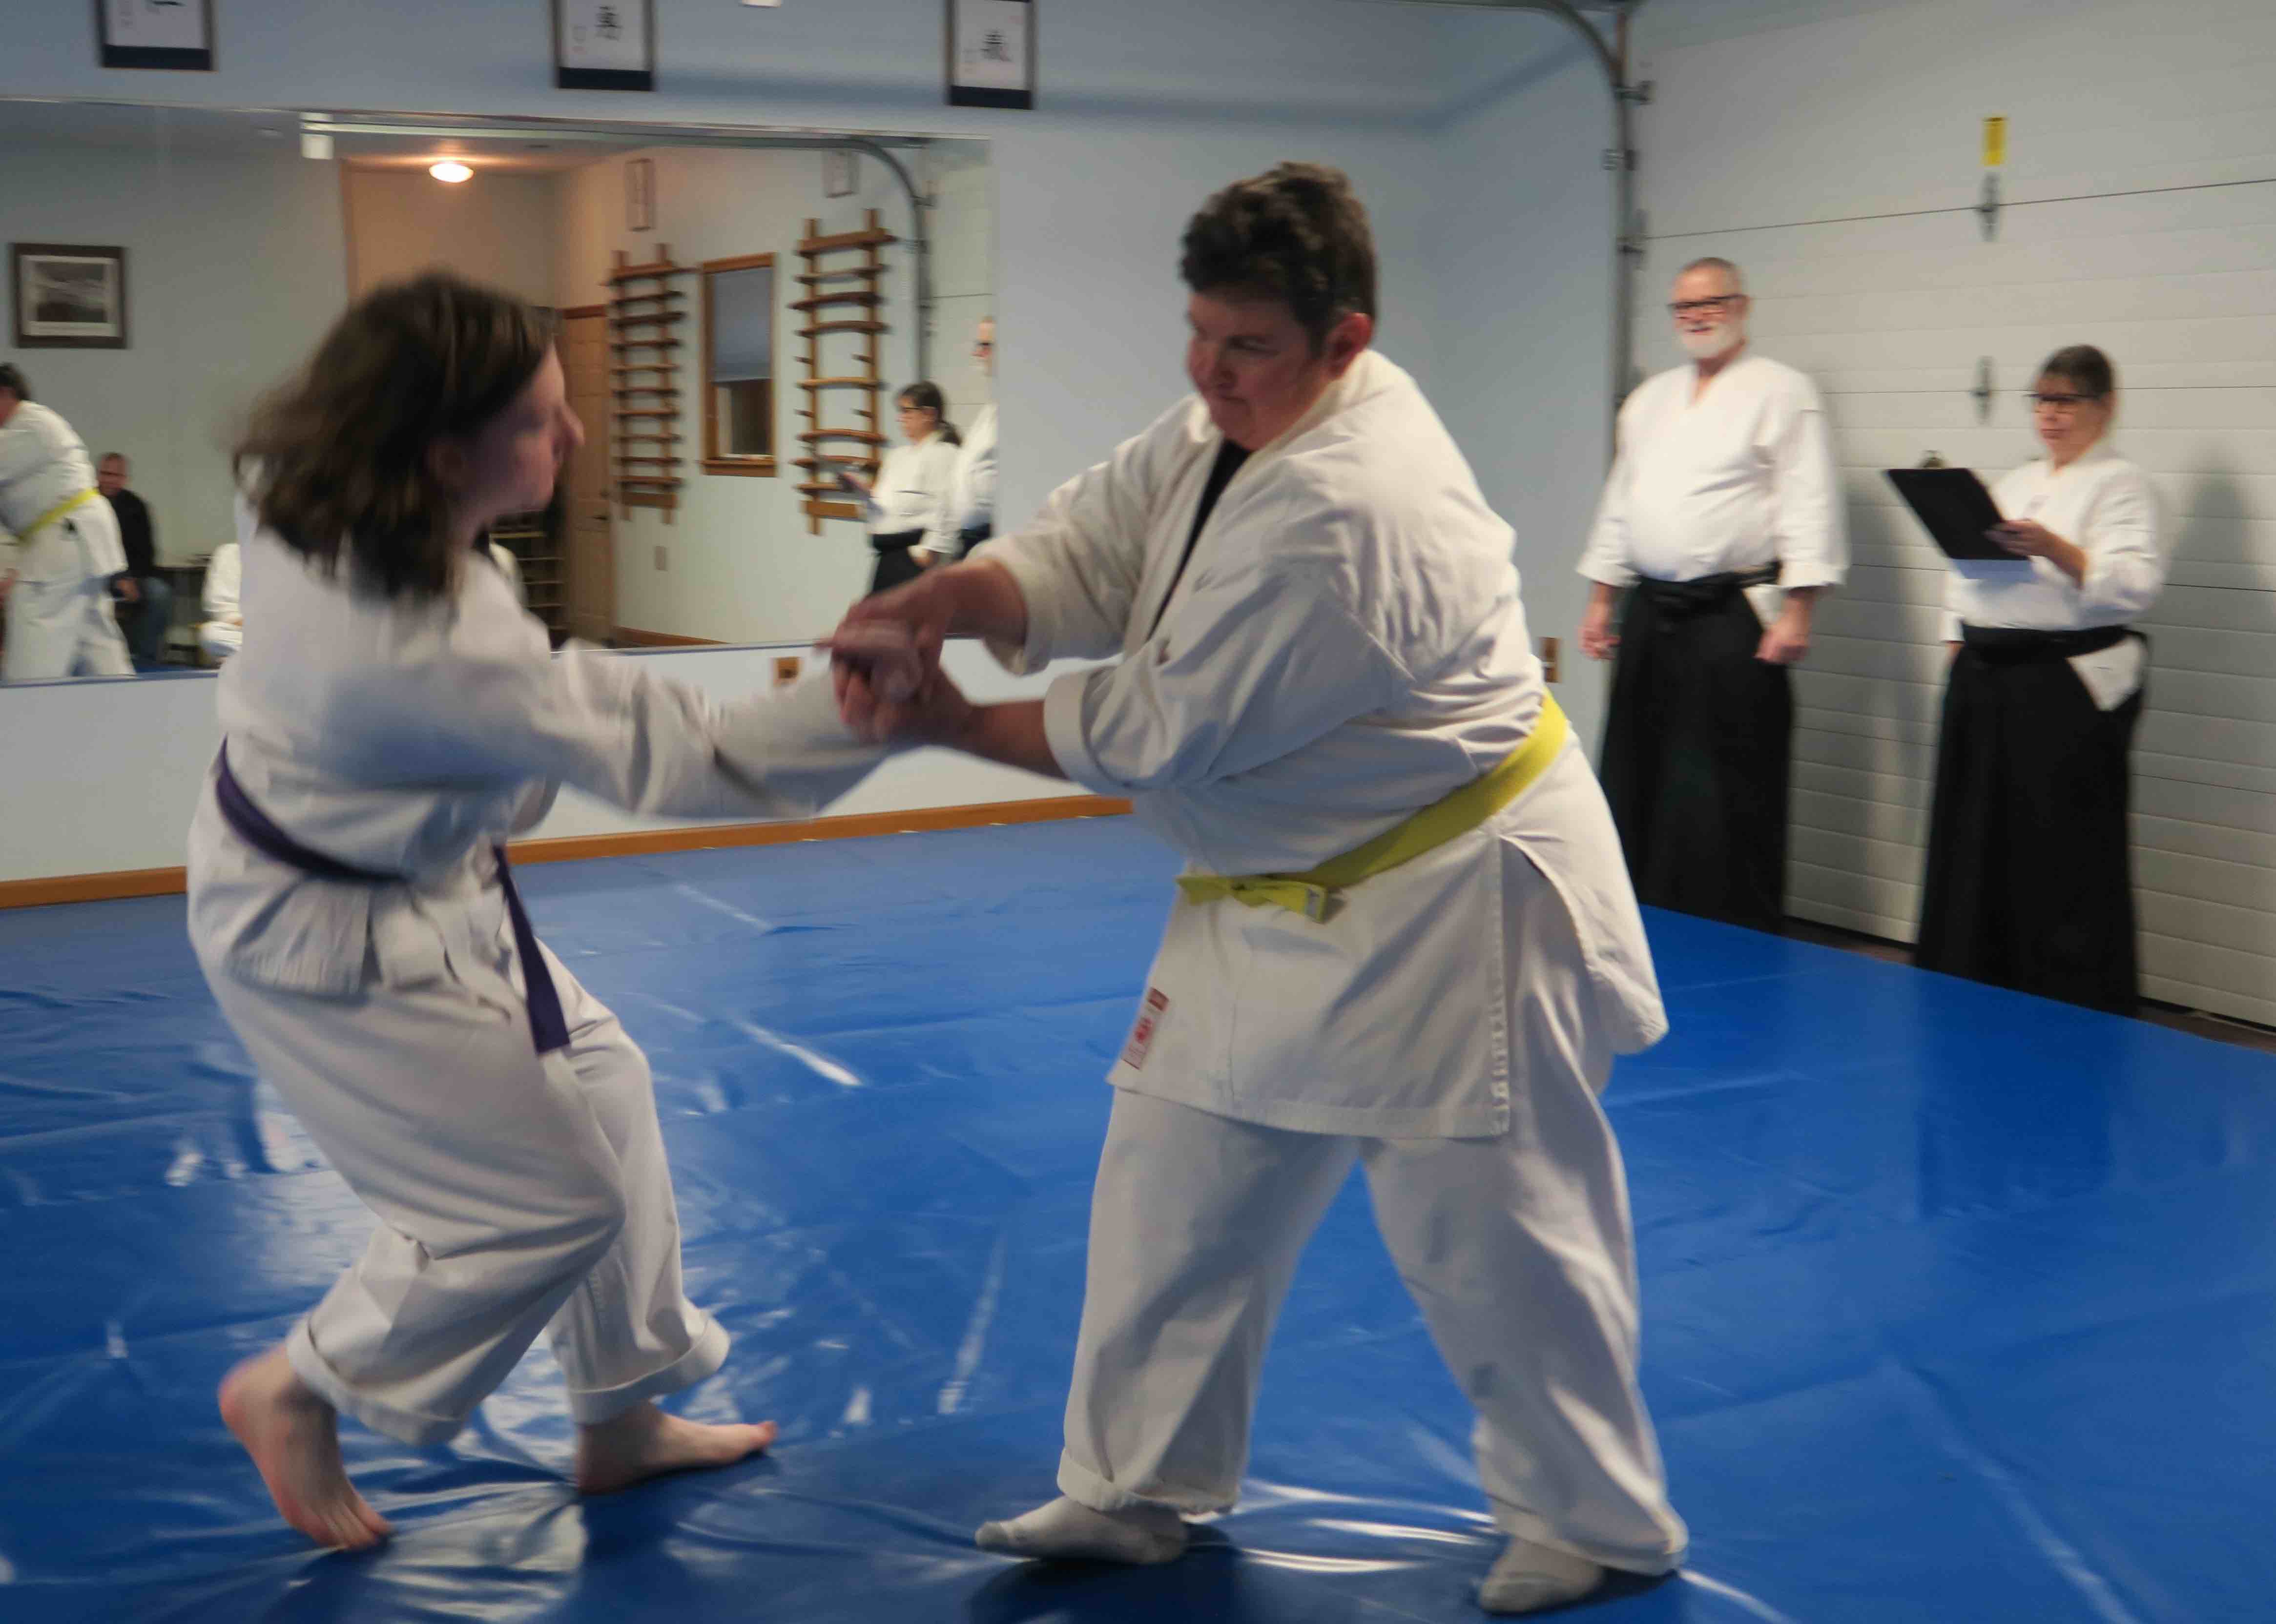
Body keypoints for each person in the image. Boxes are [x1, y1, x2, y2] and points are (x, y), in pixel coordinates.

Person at [830, 163, 1685, 1616]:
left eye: (1249, 347)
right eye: (1201, 333)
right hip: (1268, 880)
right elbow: (1097, 542)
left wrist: (948, 722)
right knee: (1166, 1186)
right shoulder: (1229, 424)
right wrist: (949, 596)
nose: (1211, 372)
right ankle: (1133, 1485)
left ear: (1344, 340)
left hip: (1453, 893)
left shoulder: (1353, 507)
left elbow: (1162, 723)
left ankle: (1598, 1519)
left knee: (1496, 1239)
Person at [190, 272, 923, 1552]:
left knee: (611, 1076)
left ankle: (619, 1412)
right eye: (540, 418)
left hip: (404, 872)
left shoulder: (304, 487)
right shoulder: (426, 646)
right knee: (538, 1204)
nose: (575, 434)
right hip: (324, 938)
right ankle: (296, 1381)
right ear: (439, 453)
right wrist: (863, 706)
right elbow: (687, 757)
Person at [1576, 257, 1845, 931]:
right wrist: (1602, 600)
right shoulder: (1649, 398)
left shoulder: (1783, 390)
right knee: (1639, 769)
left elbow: (1808, 502)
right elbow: (1621, 501)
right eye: (1683, 307)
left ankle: (1730, 928)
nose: (1696, 316)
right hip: (1651, 607)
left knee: (1725, 783)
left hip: (1733, 614)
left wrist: (1798, 610)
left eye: (1711, 303)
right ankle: (1638, 918)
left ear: (1742, 306)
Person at [1914, 345, 2166, 1013]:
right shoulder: (2017, 479)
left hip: (2059, 685)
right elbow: (1963, 564)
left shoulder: (2121, 484)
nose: (2049, 415)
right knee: (1976, 834)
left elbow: (2134, 587)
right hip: (1984, 674)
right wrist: (1952, 637)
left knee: (2055, 845)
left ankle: (2061, 988)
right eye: (2041, 401)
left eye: (2065, 401)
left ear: (2103, 407)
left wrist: (2053, 545)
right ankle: (1974, 970)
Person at [0, 363, 133, 680]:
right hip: (70, 540)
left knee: (34, 634)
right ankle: (129, 711)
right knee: (96, 645)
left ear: (5, 394)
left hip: (65, 538)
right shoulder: (25, 427)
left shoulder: (29, 424)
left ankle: (30, 718)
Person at [840, 381, 958, 594]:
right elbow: (883, 507)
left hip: (916, 560)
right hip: (887, 558)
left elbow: (949, 506)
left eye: (906, 411)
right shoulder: (897, 457)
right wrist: (862, 493)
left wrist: (930, 550)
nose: (899, 418)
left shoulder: (946, 454)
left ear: (929, 414)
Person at [925, 318, 997, 562]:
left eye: (985, 345)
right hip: (971, 541)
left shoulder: (1019, 411)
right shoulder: (991, 410)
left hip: (995, 539)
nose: (978, 353)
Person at [99, 452, 173, 667]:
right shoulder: (87, 505)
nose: (109, 479)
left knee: (160, 594)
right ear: (98, 475)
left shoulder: (137, 507)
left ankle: (144, 658)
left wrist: (131, 578)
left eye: (115, 475)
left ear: (124, 479)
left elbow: (146, 554)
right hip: (96, 577)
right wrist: (116, 577)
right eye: (105, 473)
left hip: (133, 576)